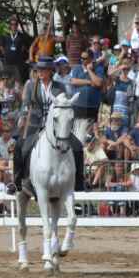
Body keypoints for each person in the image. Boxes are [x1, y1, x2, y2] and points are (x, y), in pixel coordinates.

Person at [13, 56, 86, 193]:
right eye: (38, 69)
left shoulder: (60, 87)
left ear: (50, 71)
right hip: (35, 124)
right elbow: (26, 104)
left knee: (77, 146)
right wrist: (22, 115)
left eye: (43, 70)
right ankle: (16, 181)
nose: (40, 72)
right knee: (20, 146)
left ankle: (79, 181)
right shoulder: (31, 85)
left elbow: (63, 105)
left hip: (56, 126)